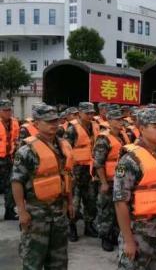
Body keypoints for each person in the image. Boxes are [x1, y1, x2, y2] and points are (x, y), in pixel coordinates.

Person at [11, 104, 74, 270]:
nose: (54, 124)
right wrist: (22, 211)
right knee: (33, 261)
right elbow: (16, 181)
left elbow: (66, 176)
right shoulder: (26, 151)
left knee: (59, 261)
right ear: (37, 124)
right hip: (36, 215)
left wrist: (70, 202)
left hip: (59, 213)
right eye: (48, 121)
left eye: (55, 121)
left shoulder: (63, 146)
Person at [113, 108, 156, 270]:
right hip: (138, 233)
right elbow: (120, 202)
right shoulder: (130, 160)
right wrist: (128, 241)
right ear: (141, 128)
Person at [93, 109, 131, 252]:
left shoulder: (123, 136)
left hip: (120, 180)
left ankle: (115, 233)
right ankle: (105, 237)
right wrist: (103, 182)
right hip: (108, 180)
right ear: (109, 121)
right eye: (117, 119)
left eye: (122, 119)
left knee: (118, 209)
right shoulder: (104, 139)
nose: (120, 122)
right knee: (105, 209)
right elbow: (98, 163)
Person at [65, 102, 100, 242]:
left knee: (90, 199)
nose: (90, 116)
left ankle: (89, 225)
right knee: (74, 200)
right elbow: (66, 150)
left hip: (90, 170)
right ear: (79, 113)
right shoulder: (72, 129)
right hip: (75, 170)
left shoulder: (95, 126)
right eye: (88, 113)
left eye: (92, 113)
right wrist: (68, 171)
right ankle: (71, 227)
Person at [0, 99, 20, 220]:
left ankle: (9, 211)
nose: (8, 112)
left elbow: (16, 139)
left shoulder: (15, 122)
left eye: (9, 110)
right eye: (5, 110)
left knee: (10, 185)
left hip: (9, 159)